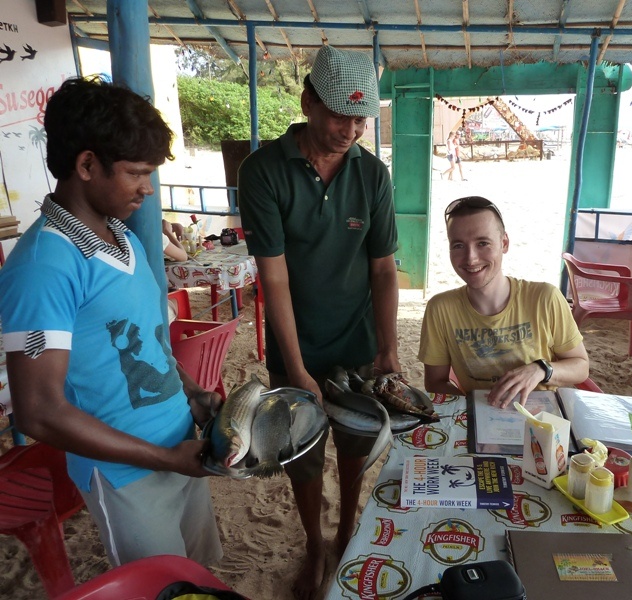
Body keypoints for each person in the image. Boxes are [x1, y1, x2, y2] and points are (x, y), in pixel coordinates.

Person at [0, 77, 223, 568]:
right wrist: (164, 459)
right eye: (136, 173)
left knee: (202, 576)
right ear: (86, 165)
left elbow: (149, 339)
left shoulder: (122, 237)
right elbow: (38, 411)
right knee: (166, 585)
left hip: (182, 442)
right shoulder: (45, 265)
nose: (147, 188)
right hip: (126, 475)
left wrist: (190, 390)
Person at [237, 45, 401, 600]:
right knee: (301, 456)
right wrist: (297, 367)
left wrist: (389, 348)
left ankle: (349, 532)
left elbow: (382, 270)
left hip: (355, 343)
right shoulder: (263, 170)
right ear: (308, 102)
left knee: (354, 447)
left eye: (361, 119)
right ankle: (313, 542)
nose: (350, 130)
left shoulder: (372, 175)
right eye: (338, 116)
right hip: (295, 344)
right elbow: (274, 278)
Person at [418, 196, 590, 408]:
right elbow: (435, 382)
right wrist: (478, 408)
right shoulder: (440, 308)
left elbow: (581, 366)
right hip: (479, 418)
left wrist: (540, 369)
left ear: (504, 243)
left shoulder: (545, 298)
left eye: (483, 243)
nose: (470, 258)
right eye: (458, 245)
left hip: (540, 419)